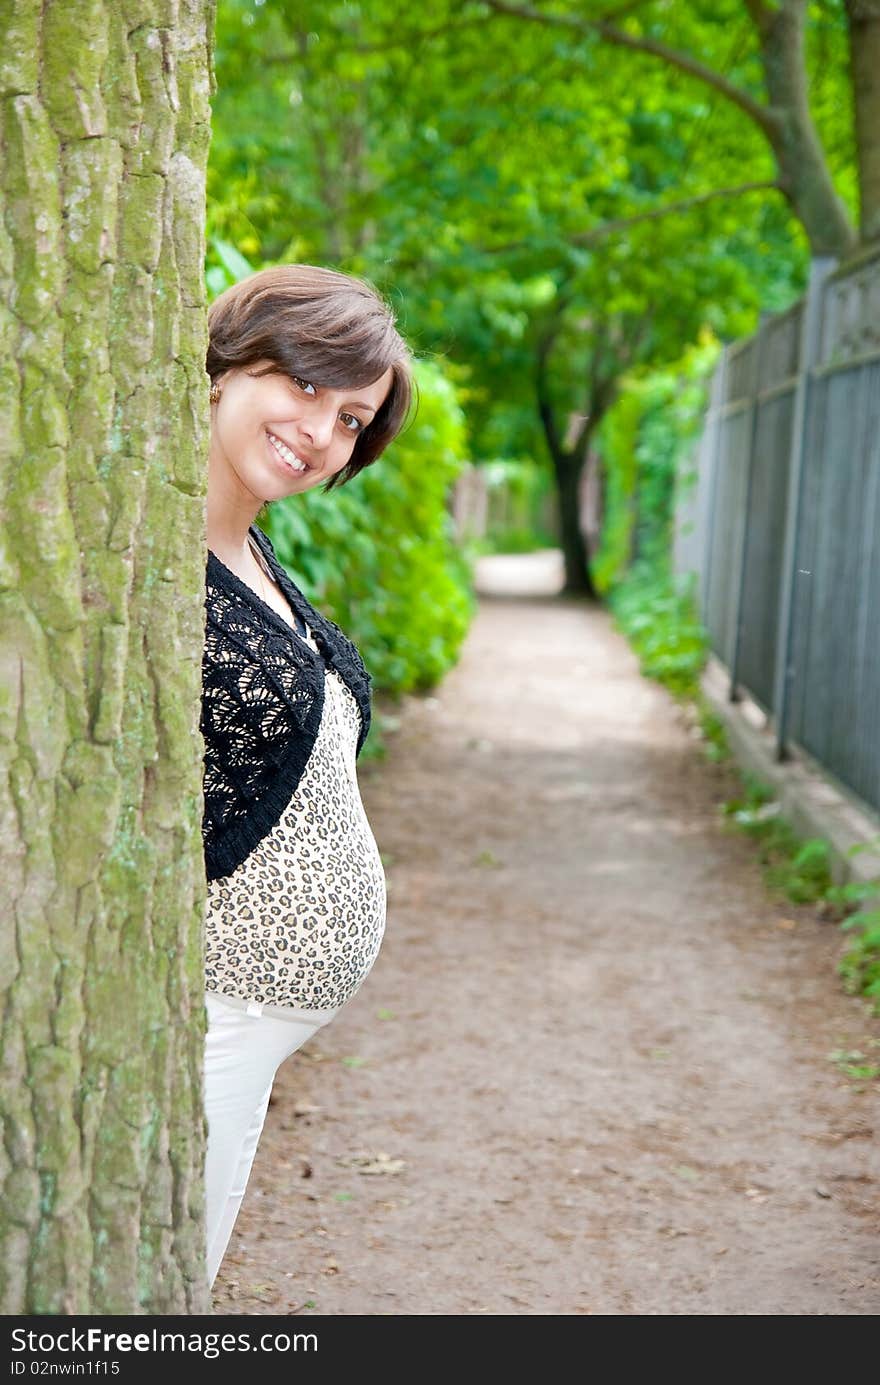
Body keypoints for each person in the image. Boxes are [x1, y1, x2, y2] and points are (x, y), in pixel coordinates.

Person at [200, 264, 413, 1287]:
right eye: (304, 381)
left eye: (352, 418)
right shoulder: (149, 559)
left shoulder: (248, 547)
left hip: (241, 1029)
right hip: (206, 1010)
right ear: (226, 363)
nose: (321, 429)